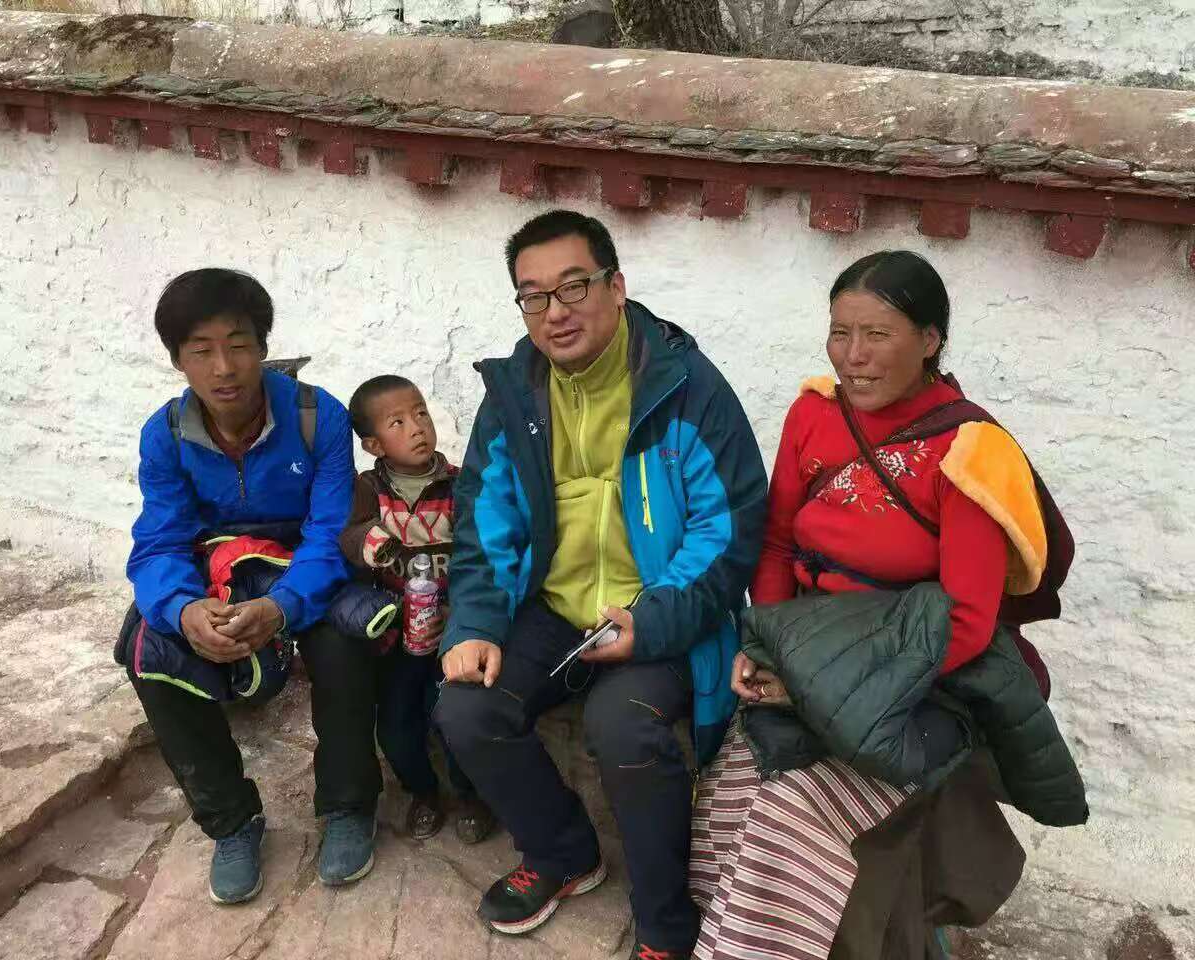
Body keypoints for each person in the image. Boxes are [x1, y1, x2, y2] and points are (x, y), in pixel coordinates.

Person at [689, 250, 1084, 959]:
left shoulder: (969, 451)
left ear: (930, 339)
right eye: (840, 333)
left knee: (788, 814)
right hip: (807, 655)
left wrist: (815, 686)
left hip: (919, 685)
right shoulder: (814, 414)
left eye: (878, 334)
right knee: (728, 792)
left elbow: (966, 624)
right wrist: (765, 646)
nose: (854, 356)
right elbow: (776, 545)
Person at [434, 210, 768, 960]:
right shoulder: (516, 393)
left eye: (573, 286)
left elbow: (730, 528)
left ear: (616, 287)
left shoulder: (684, 387)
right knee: (466, 706)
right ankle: (563, 854)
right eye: (533, 295)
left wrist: (653, 623)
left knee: (624, 727)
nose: (555, 312)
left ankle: (665, 924)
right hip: (553, 608)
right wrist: (475, 623)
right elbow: (484, 518)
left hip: (658, 608)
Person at [123, 268, 380, 905]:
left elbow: (329, 531)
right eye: (200, 350)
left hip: (304, 562)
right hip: (216, 567)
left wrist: (283, 605)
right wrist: (183, 610)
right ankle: (232, 821)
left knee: (343, 644)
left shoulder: (317, 416)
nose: (223, 368)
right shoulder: (165, 435)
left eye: (238, 345)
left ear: (263, 347)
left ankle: (348, 804)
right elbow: (159, 541)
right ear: (177, 359)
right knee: (149, 653)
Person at [336, 374, 494, 844]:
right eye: (398, 422)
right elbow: (349, 533)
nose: (417, 427)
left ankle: (471, 796)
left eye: (421, 413)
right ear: (373, 444)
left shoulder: (459, 484)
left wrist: (462, 612)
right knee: (397, 725)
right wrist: (371, 543)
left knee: (453, 717)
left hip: (451, 629)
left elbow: (482, 549)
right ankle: (422, 792)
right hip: (396, 636)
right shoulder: (369, 489)